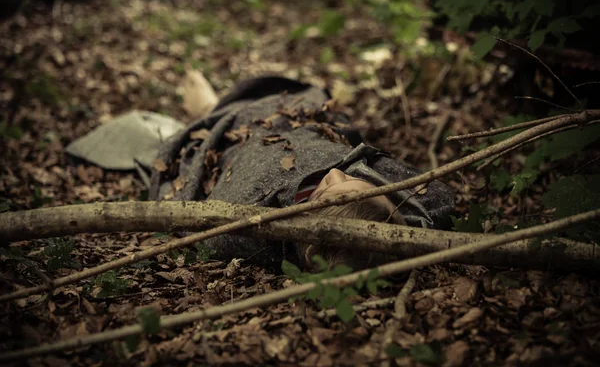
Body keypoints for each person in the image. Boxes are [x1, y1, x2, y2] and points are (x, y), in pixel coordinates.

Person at [148, 76, 455, 271]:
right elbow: (439, 196)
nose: (336, 173)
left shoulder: (249, 221)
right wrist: (403, 226)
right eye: (354, 182)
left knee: (219, 111)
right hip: (299, 112)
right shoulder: (383, 195)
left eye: (322, 196)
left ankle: (208, 106)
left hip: (237, 129)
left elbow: (197, 220)